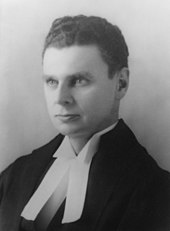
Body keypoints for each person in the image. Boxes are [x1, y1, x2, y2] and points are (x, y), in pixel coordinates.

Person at [0, 15, 170, 231]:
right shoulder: (15, 175)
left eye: (79, 80)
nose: (61, 98)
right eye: (52, 81)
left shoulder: (155, 191)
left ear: (121, 84)